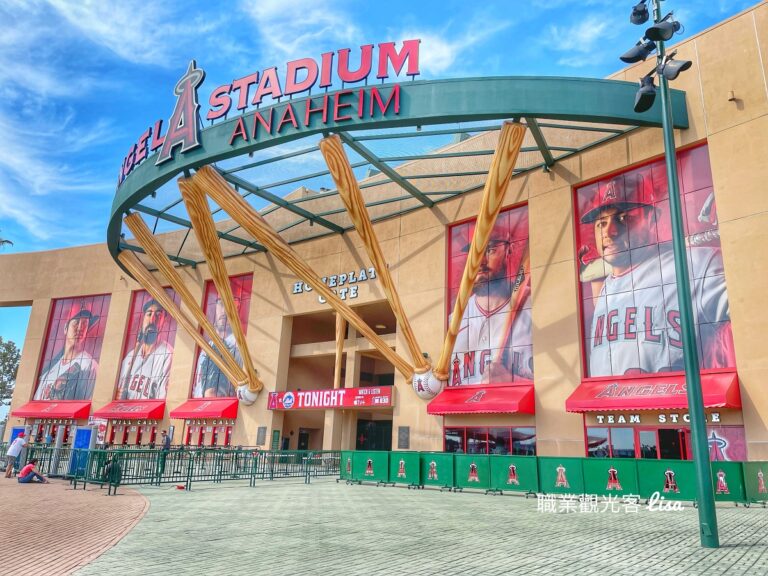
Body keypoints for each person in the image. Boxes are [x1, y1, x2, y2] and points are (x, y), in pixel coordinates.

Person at [581, 176, 731, 377]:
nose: (610, 231)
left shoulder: (696, 264)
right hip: (612, 406)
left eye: (623, 219)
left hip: (678, 406)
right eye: (601, 223)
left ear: (651, 219)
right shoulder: (607, 287)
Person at [449, 227, 533, 385]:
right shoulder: (453, 322)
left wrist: (511, 381)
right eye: (475, 255)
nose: (480, 263)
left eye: (490, 250)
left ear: (509, 250)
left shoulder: (533, 308)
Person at [35, 306, 99, 400]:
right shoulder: (50, 370)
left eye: (85, 324)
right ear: (65, 329)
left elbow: (91, 404)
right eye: (76, 323)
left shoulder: (89, 365)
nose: (80, 328)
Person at [117, 299, 174, 400]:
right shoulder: (130, 357)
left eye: (158, 315)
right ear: (143, 320)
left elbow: (164, 400)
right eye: (149, 314)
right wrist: (117, 396)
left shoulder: (168, 355)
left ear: (164, 322)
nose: (152, 320)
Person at [193, 298, 243, 398]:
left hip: (222, 405)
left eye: (230, 307)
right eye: (221, 305)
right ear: (215, 308)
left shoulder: (240, 346)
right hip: (198, 405)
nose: (224, 311)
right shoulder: (206, 347)